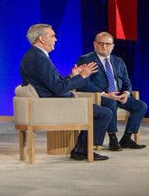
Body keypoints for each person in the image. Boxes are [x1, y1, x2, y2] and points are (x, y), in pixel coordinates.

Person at [18, 23, 112, 161]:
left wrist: (72, 76)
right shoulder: (39, 58)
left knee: (97, 110)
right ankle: (85, 150)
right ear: (42, 39)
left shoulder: (34, 55)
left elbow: (54, 84)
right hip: (54, 105)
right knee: (104, 113)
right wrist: (82, 76)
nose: (55, 39)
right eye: (52, 36)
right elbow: (58, 88)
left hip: (52, 101)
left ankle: (81, 150)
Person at [76, 32, 148, 150]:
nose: (104, 46)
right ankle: (113, 139)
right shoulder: (86, 59)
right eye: (101, 43)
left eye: (108, 44)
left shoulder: (118, 61)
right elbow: (85, 83)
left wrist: (126, 93)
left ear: (112, 46)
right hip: (99, 96)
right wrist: (105, 94)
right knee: (111, 103)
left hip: (118, 95)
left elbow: (126, 81)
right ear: (94, 44)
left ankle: (127, 138)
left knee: (141, 106)